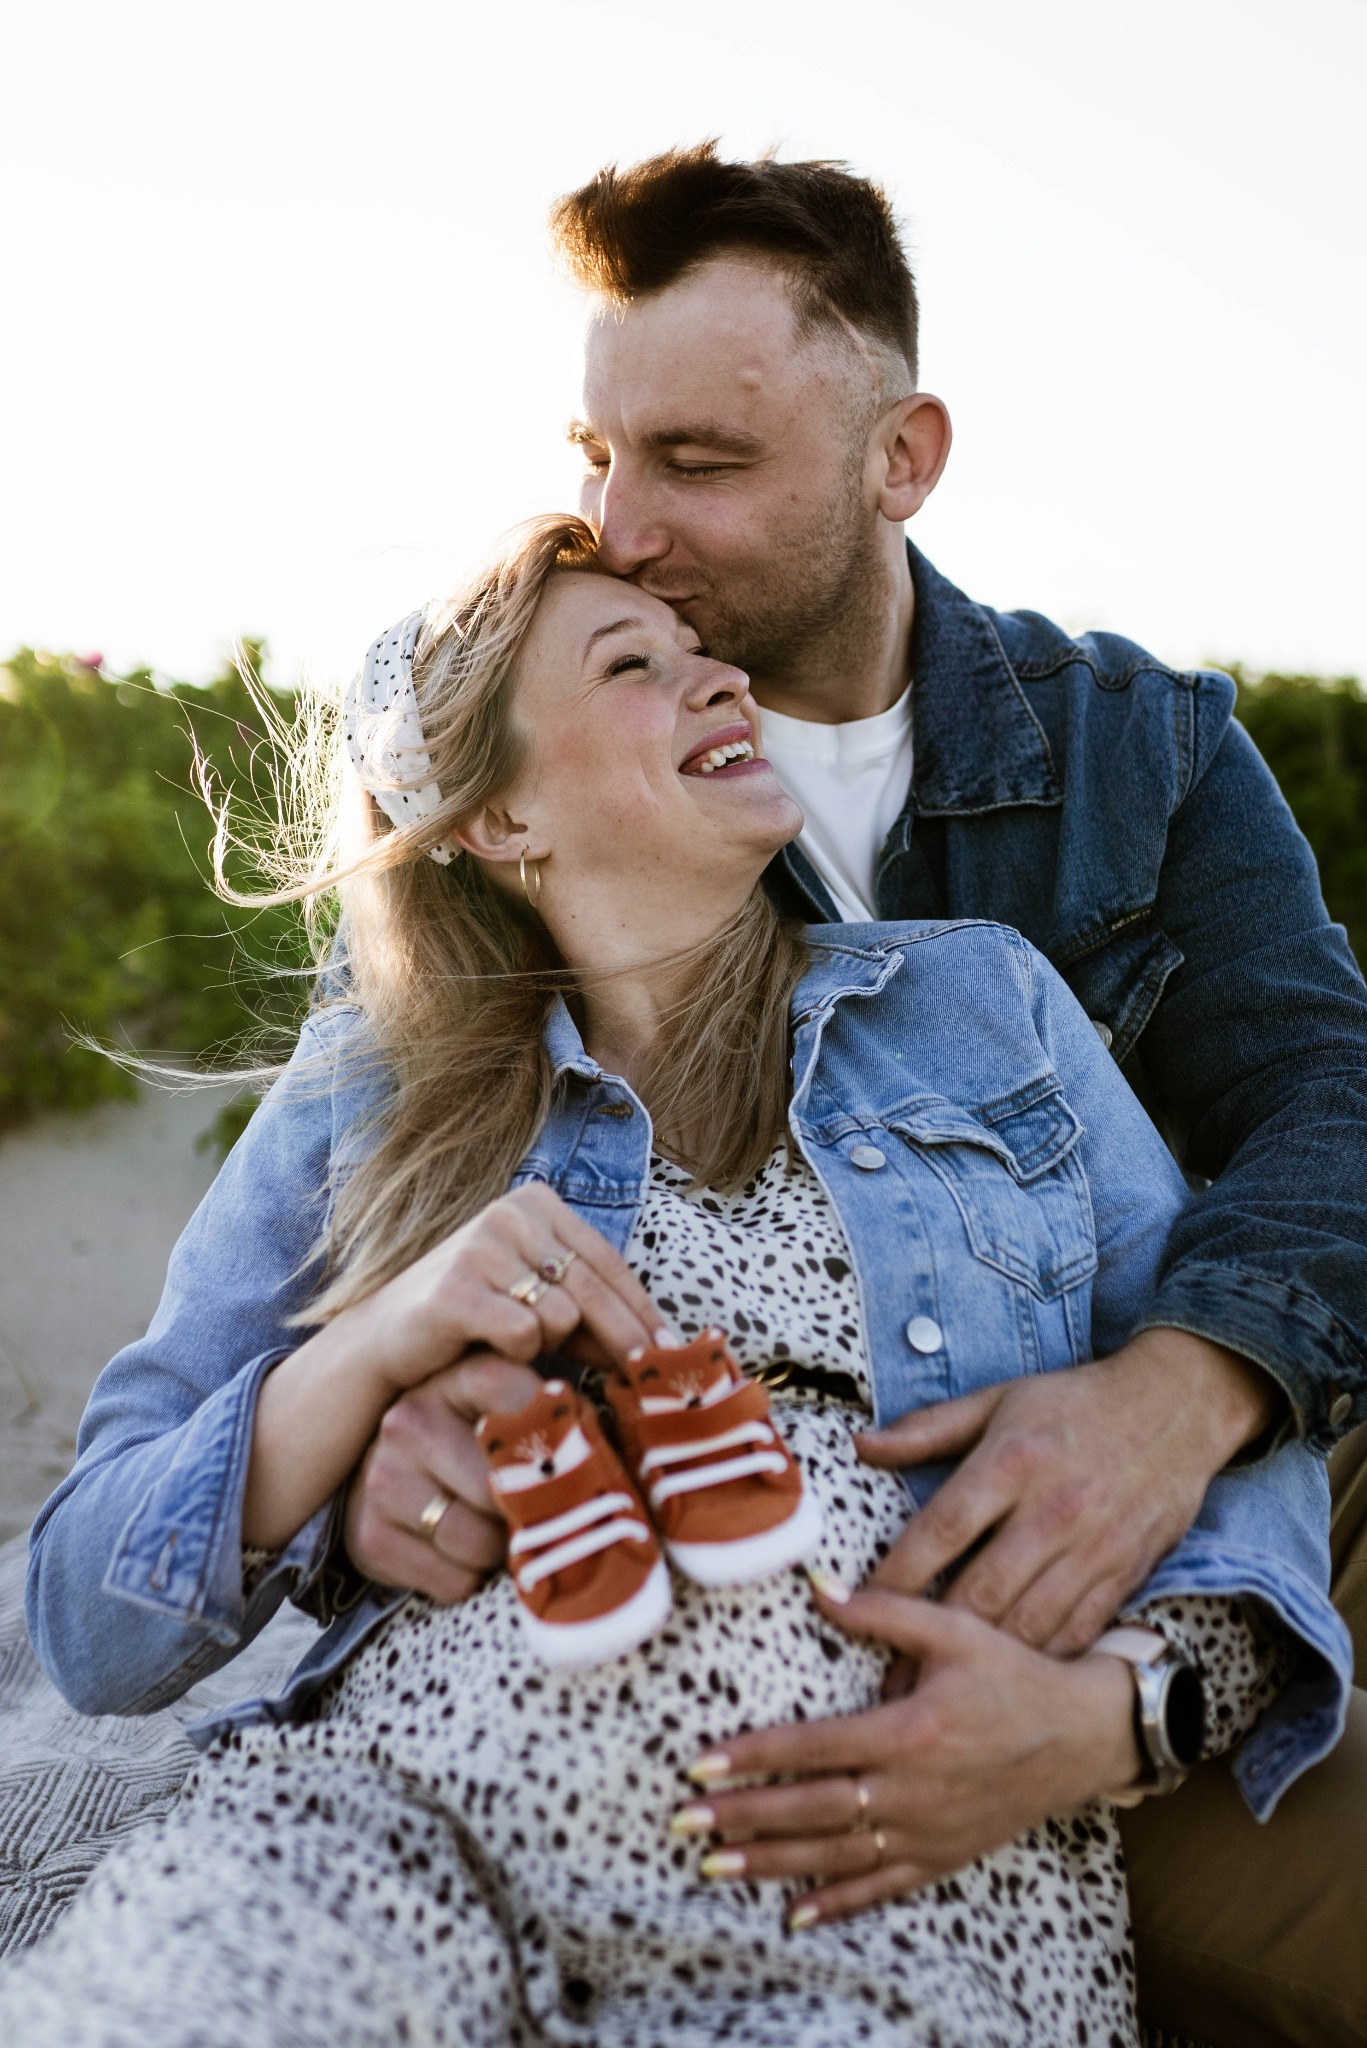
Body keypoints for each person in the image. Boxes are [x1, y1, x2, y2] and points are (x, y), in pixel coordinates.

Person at [4, 523, 1349, 2047]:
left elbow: (1224, 1412)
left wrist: (1112, 1716)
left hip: (868, 1880)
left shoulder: (981, 1003)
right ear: (497, 814)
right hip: (393, 1825)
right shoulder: (370, 1091)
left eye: (700, 648)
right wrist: (364, 1356)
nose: (718, 673)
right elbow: (81, 1610)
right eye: (632, 664)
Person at [339, 146, 1367, 2045]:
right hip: (812, 1549)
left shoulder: (1139, 745)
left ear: (903, 457)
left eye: (699, 465)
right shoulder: (544, 790)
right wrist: (357, 1459)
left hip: (1223, 1446)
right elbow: (357, 1223)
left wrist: (1179, 1392)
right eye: (596, 452)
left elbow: (1334, 1104)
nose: (617, 527)